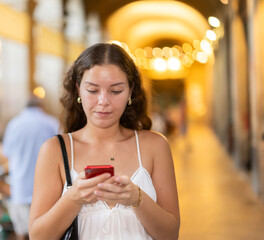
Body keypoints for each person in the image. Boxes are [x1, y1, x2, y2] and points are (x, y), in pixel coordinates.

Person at [29, 43, 180, 240]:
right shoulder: (55, 150)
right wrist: (74, 198)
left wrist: (137, 199)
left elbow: (170, 234)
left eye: (115, 91)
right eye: (92, 90)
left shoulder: (155, 146)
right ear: (78, 90)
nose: (103, 101)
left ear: (130, 91)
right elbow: (38, 236)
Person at [2, 95, 59, 240]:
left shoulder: (13, 124)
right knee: (47, 234)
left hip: (21, 186)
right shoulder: (51, 122)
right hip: (48, 187)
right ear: (41, 106)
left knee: (22, 233)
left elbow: (6, 153)